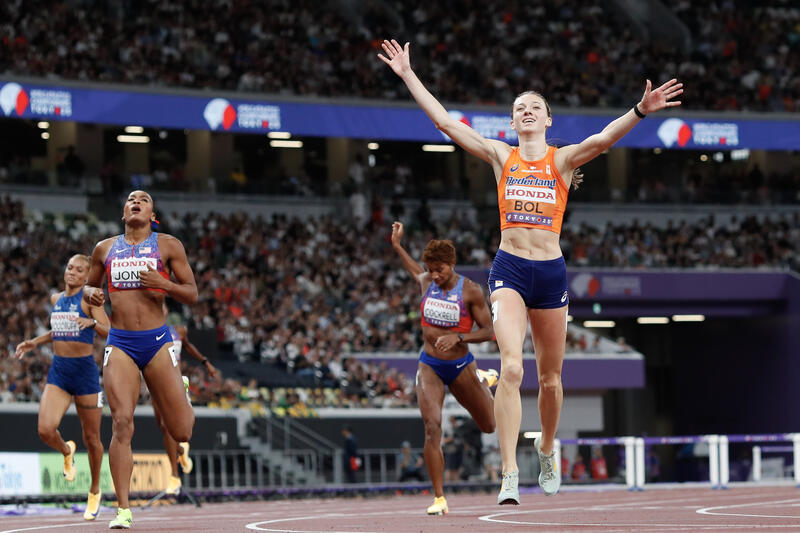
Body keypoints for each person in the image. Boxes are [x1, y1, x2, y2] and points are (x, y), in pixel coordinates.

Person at [379, 38, 682, 504]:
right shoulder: (502, 156)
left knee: (551, 379)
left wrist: (640, 110)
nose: (526, 111)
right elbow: (444, 122)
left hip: (551, 274)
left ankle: (545, 448)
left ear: (547, 120)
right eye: (519, 107)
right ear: (512, 120)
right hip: (510, 272)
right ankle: (508, 473)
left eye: (534, 107)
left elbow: (603, 139)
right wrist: (407, 74)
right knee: (511, 368)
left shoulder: (563, 160)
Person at [83, 190, 198, 529]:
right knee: (121, 423)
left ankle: (182, 390)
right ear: (124, 213)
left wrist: (164, 284)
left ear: (152, 215)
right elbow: (89, 293)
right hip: (121, 344)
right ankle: (123, 508)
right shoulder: (104, 249)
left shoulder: (169, 245)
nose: (136, 201)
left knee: (182, 431)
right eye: (131, 199)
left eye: (144, 199)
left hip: (157, 341)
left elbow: (192, 293)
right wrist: (93, 298)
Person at [391, 221, 498, 515]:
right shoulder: (427, 281)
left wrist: (459, 337)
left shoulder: (471, 291)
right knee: (432, 427)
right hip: (430, 365)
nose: (435, 275)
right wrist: (397, 246)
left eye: (440, 270)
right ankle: (439, 497)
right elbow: (414, 270)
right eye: (431, 269)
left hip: (460, 364)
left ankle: (484, 379)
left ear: (452, 264)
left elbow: (490, 331)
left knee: (489, 426)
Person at [13, 254, 110, 521]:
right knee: (45, 430)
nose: (72, 273)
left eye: (79, 270)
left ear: (87, 276)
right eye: (70, 268)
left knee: (92, 438)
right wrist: (35, 341)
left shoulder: (89, 300)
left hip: (85, 374)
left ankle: (94, 490)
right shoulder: (56, 299)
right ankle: (67, 451)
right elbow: (60, 330)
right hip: (60, 371)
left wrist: (92, 323)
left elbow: (110, 330)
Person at [156, 303, 220, 496]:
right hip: (156, 382)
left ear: (167, 312)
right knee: (163, 427)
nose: (160, 311)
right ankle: (181, 452)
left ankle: (174, 476)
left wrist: (205, 362)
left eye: (162, 308)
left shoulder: (179, 331)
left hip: (176, 381)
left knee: (171, 426)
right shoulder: (147, 333)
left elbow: (189, 346)